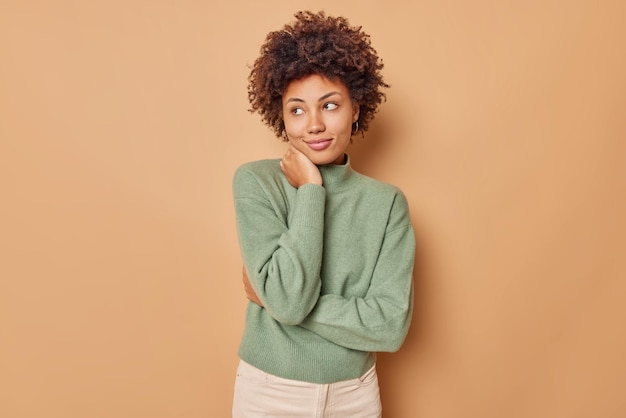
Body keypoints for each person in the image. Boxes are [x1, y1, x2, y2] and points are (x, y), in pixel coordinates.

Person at [231, 11, 415, 417]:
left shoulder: (386, 204)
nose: (313, 125)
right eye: (297, 110)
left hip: (356, 396)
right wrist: (311, 191)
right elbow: (290, 302)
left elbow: (389, 326)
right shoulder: (256, 183)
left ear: (355, 108)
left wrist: (275, 301)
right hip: (268, 392)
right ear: (279, 114)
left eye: (329, 105)